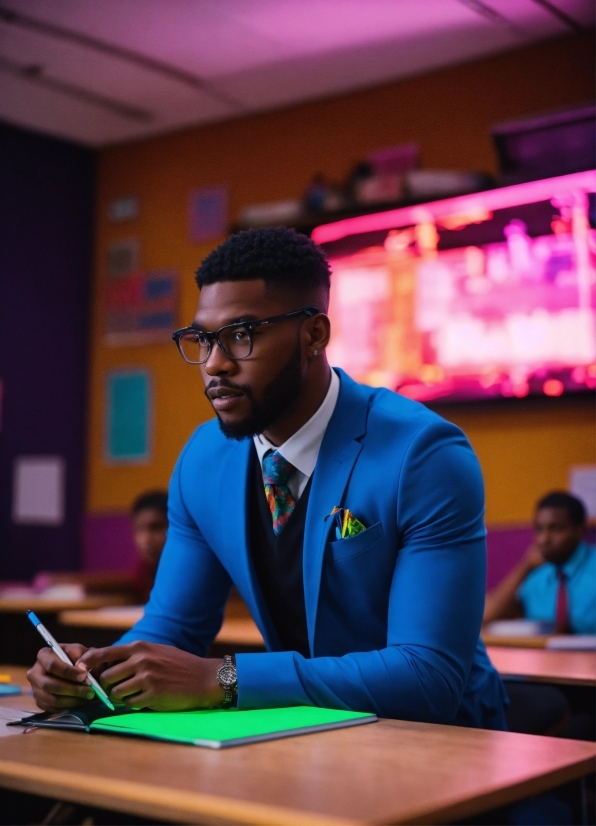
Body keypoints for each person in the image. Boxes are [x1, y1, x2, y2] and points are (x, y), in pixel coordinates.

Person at [27, 226, 507, 728]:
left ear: (315, 335)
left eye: (241, 335)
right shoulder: (203, 458)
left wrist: (224, 679)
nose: (215, 364)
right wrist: (92, 674)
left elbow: (427, 677)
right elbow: (172, 627)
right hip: (297, 730)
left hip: (441, 740)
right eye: (203, 339)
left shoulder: (424, 454)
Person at [483, 491, 595, 634]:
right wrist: (525, 567)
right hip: (542, 655)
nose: (543, 539)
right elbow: (486, 616)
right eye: (539, 529)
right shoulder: (534, 574)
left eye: (555, 529)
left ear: (579, 530)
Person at [129, 490, 168, 604]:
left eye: (156, 528)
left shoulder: (192, 572)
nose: (146, 540)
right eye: (139, 530)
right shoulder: (143, 571)